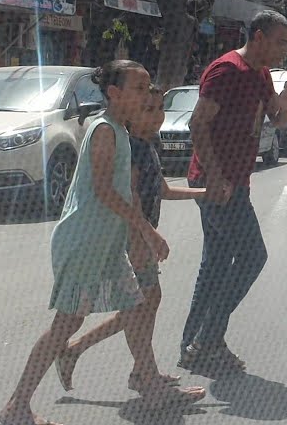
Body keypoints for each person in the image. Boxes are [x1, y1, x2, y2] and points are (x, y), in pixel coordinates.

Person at [0, 61, 202, 425]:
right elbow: (106, 191)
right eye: (139, 89)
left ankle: (150, 382)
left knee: (138, 305)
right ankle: (17, 406)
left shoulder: (120, 132)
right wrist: (146, 230)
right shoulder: (105, 130)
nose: (145, 96)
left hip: (104, 242)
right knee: (66, 323)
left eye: (147, 88)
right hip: (86, 239)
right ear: (114, 93)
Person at [58, 86, 208, 392]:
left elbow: (162, 190)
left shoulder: (148, 143)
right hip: (132, 237)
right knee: (141, 305)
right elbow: (133, 196)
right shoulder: (131, 147)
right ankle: (143, 374)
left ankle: (95, 356)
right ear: (131, 114)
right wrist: (147, 236)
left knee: (141, 304)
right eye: (148, 109)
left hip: (141, 235)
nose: (157, 116)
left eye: (159, 108)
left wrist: (205, 194)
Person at [179, 11, 287, 375]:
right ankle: (208, 339)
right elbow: (197, 124)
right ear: (259, 36)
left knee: (215, 265)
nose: (284, 53)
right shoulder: (226, 71)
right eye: (280, 43)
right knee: (252, 257)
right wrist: (214, 178)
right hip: (215, 183)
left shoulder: (260, 75)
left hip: (235, 183)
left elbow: (274, 122)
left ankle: (193, 346)